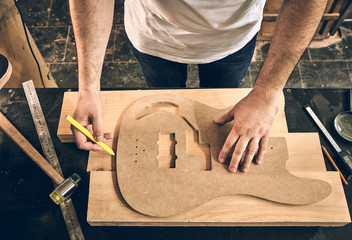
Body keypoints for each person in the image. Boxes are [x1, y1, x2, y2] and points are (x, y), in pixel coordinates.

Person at [69, 0, 327, 173]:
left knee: (219, 118)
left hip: (233, 39)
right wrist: (88, 88)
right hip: (153, 34)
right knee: (164, 104)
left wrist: (268, 92)